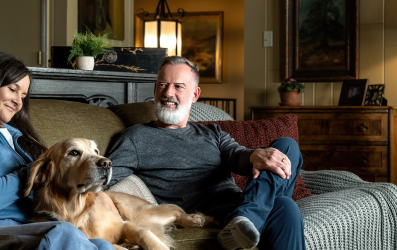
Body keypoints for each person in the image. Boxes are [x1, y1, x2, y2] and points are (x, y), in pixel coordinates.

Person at [106, 56, 306, 250]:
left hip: (240, 204)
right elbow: (105, 181)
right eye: (162, 85)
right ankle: (246, 220)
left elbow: (237, 155)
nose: (168, 92)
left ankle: (249, 217)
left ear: (194, 94)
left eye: (178, 86)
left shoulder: (212, 132)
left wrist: (254, 155)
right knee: (285, 207)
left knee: (287, 146)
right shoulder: (136, 137)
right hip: (211, 216)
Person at [0, 52, 114, 250]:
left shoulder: (17, 136)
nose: (18, 102)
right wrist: (35, 169)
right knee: (63, 233)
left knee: (102, 245)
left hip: (24, 228)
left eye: (23, 96)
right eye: (12, 90)